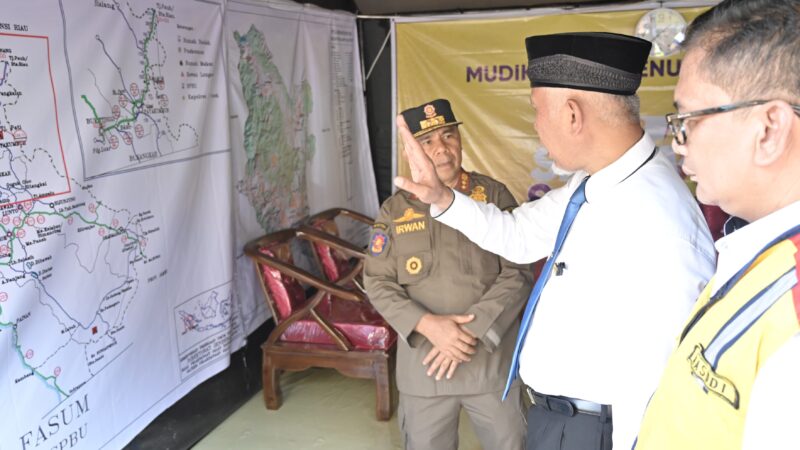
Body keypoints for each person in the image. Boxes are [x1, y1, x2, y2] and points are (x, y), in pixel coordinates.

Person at [394, 33, 717, 450]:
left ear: (572, 114)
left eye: (536, 110)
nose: (535, 125)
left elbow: (666, 380)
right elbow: (518, 235)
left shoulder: (658, 220)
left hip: (599, 431)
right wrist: (442, 198)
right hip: (563, 421)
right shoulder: (595, 181)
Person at [634, 1, 800, 449]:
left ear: (769, 130)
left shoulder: (795, 311)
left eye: (687, 120)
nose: (678, 144)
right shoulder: (756, 246)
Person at [364, 99, 534, 450]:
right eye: (427, 141)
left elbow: (518, 271)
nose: (441, 148)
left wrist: (470, 331)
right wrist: (428, 325)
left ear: (459, 140)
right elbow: (377, 281)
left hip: (490, 364)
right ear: (411, 152)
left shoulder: (493, 195)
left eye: (448, 136)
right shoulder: (395, 210)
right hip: (425, 368)